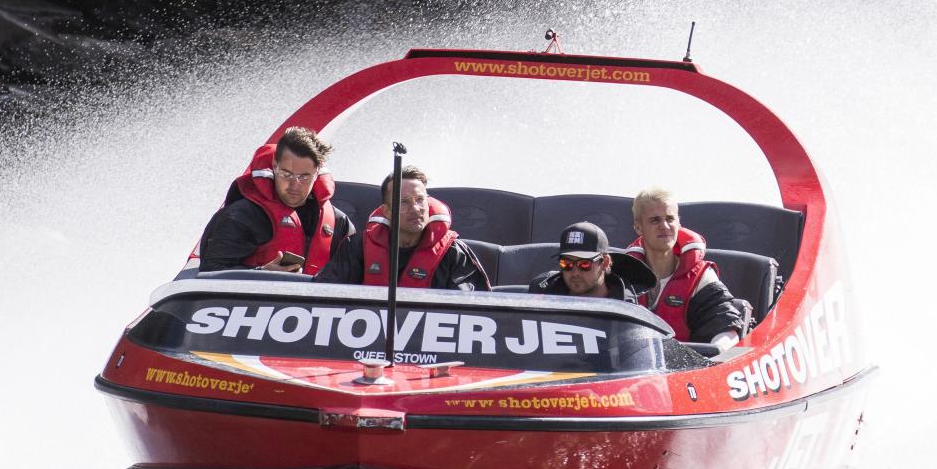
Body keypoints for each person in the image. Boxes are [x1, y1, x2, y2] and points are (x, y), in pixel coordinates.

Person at [198, 127, 355, 274]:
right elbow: (211, 271)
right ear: (274, 165)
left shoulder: (339, 223)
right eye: (286, 174)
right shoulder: (240, 216)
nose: (294, 184)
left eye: (304, 177)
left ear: (317, 172)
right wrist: (262, 274)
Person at [314, 166, 490, 291]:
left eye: (420, 200)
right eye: (404, 202)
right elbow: (324, 295)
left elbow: (473, 311)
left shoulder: (454, 254)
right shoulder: (357, 248)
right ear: (387, 211)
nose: (416, 208)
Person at [627, 188, 743, 350]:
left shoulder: (702, 278)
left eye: (670, 219)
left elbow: (727, 330)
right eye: (655, 220)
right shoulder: (623, 276)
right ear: (638, 227)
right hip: (631, 368)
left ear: (679, 223)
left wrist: (717, 351)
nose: (664, 226)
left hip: (686, 370)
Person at [530, 222, 655, 302]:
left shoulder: (627, 310)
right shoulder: (543, 297)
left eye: (584, 264)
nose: (575, 273)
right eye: (566, 264)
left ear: (605, 263)